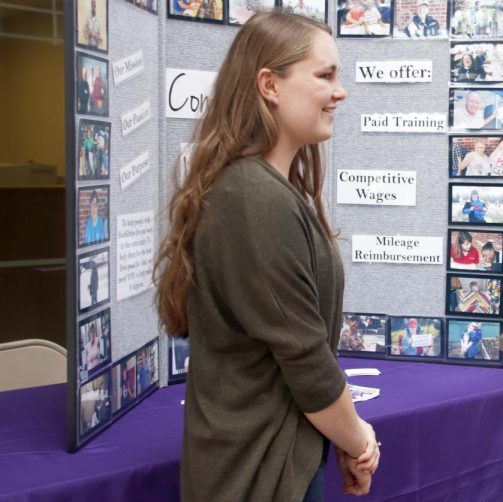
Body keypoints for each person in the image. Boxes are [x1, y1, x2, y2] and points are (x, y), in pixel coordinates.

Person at [153, 13, 379, 501]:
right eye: (325, 75)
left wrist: (339, 435)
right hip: (257, 475)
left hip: (278, 459)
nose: (340, 92)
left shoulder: (265, 190)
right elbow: (308, 364)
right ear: (269, 85)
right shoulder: (254, 199)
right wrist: (360, 440)